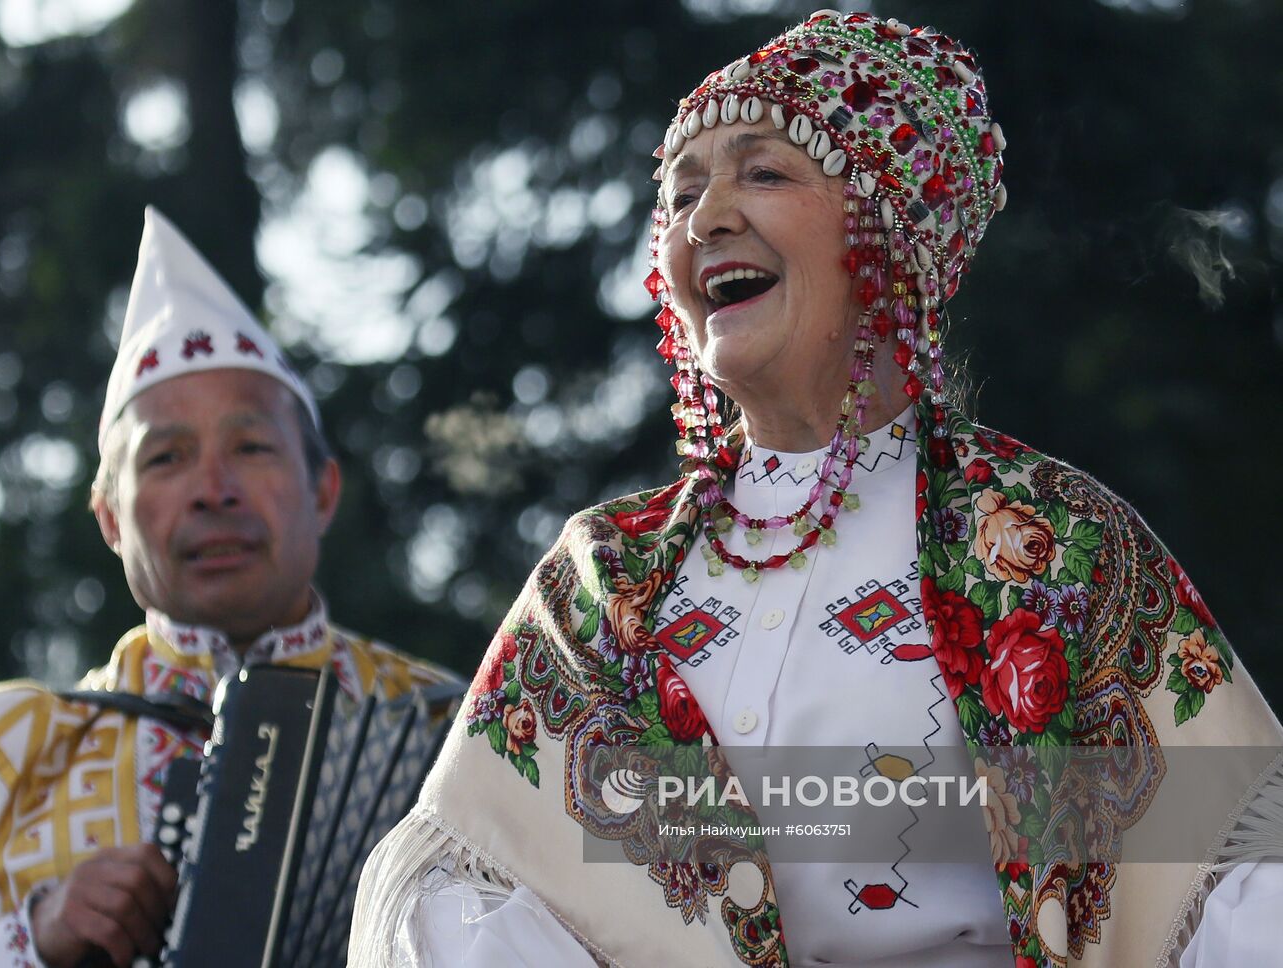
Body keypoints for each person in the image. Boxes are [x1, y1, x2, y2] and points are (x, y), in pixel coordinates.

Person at [350, 10, 1283, 968]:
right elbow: (469, 892)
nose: (704, 217)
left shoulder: (1051, 544)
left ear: (886, 230)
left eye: (763, 171)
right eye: (679, 194)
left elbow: (1227, 886)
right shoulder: (601, 585)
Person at [0, 208, 456, 966]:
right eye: (165, 459)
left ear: (323, 492)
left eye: (250, 446)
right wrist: (35, 937)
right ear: (110, 519)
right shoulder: (3, 742)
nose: (213, 490)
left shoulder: (460, 729)